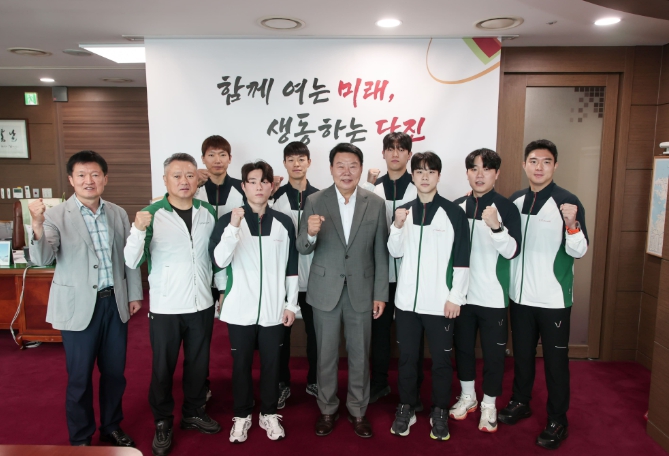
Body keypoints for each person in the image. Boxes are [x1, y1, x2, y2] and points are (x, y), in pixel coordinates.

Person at [28, 150, 143, 447]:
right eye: (81, 175)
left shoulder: (117, 213)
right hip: (78, 306)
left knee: (114, 374)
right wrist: (37, 225)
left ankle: (111, 426)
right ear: (71, 179)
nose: (88, 180)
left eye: (94, 174)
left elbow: (128, 258)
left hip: (114, 303)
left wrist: (134, 294)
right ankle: (80, 437)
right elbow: (42, 258)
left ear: (105, 178)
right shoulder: (55, 215)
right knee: (79, 377)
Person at [124, 153, 225, 456]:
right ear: (165, 180)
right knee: (163, 367)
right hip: (166, 307)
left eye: (190, 175)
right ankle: (162, 420)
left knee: (198, 364)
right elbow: (132, 260)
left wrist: (221, 290)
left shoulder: (208, 211)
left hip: (201, 303)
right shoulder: (151, 213)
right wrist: (137, 230)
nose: (184, 181)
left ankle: (193, 411)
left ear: (197, 179)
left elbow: (215, 256)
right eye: (177, 175)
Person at [498, 139, 588, 450]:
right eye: (534, 161)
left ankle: (557, 419)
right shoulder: (515, 200)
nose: (539, 167)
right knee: (522, 355)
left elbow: (579, 251)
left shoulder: (567, 201)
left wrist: (572, 224)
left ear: (555, 166)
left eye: (546, 161)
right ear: (524, 164)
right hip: (520, 298)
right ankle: (521, 401)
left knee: (555, 362)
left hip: (553, 300)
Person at [296, 143, 389, 438]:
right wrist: (310, 233)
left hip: (362, 290)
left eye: (352, 165)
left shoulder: (375, 203)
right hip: (325, 290)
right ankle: (327, 408)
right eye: (340, 165)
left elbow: (381, 252)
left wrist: (380, 293)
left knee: (360, 355)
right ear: (331, 168)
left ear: (360, 168)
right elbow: (302, 246)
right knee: (325, 355)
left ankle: (358, 410)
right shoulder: (315, 200)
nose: (346, 172)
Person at [209, 160, 299, 443]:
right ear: (243, 186)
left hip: (274, 309)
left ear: (272, 186)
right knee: (241, 364)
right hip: (239, 309)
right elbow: (219, 260)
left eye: (264, 181)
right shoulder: (228, 220)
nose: (258, 186)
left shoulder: (284, 222)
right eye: (252, 181)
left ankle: (269, 413)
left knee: (272, 364)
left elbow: (292, 267)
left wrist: (291, 304)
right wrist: (233, 228)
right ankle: (242, 414)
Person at [387, 152, 470, 440]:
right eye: (420, 172)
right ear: (412, 176)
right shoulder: (404, 212)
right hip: (407, 303)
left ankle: (439, 409)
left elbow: (462, 259)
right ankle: (407, 406)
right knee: (407, 359)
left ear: (438, 176)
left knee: (441, 362)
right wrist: (397, 226)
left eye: (431, 171)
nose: (425, 177)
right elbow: (394, 251)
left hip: (440, 303)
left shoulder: (453, 213)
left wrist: (456, 297)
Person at [451, 148, 522, 432]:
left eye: (486, 169)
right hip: (462, 295)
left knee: (494, 355)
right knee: (463, 349)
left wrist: (496, 227)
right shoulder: (456, 206)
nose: (479, 175)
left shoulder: (507, 207)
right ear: (467, 173)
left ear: (497, 173)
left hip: (493, 296)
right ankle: (468, 396)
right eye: (474, 169)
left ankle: (489, 404)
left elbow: (512, 251)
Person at [362, 132, 424, 407]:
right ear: (384, 153)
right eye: (390, 148)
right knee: (380, 333)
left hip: (412, 273)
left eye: (401, 149)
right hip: (381, 275)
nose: (395, 154)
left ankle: (412, 389)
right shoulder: (373, 189)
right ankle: (379, 383)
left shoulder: (420, 186)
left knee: (412, 335)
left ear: (409, 155)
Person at [271, 141, 320, 408]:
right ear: (284, 163)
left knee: (316, 335)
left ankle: (315, 381)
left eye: (301, 159)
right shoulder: (274, 198)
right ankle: (282, 383)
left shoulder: (320, 197)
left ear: (309, 162)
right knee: (281, 336)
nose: (297, 164)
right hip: (283, 280)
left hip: (314, 280)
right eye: (291, 159)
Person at [193, 135, 245, 218]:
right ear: (203, 159)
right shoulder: (194, 187)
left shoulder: (243, 187)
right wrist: (192, 183)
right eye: (211, 155)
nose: (217, 161)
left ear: (230, 158)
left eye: (222, 155)